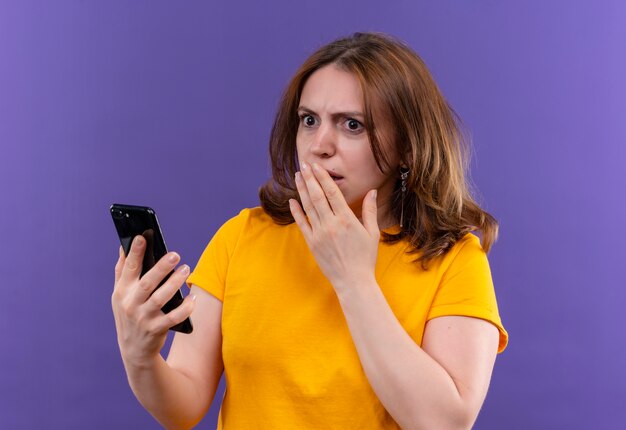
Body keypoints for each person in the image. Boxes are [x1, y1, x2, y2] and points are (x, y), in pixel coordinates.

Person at [112, 32, 508, 429]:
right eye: (309, 120)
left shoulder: (456, 260)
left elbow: (444, 423)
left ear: (407, 146)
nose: (319, 145)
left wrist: (354, 281)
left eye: (352, 125)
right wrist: (140, 356)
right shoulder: (242, 236)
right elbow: (183, 405)